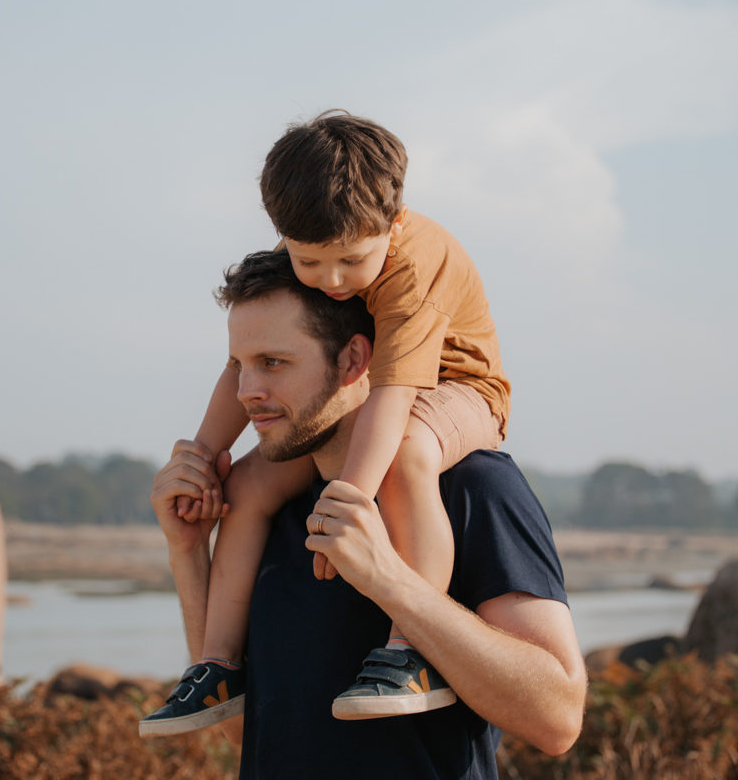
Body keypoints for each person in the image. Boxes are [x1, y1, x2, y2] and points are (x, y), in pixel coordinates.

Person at [140, 250, 586, 779]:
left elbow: (557, 719)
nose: (246, 393)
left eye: (274, 363)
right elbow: (246, 728)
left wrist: (392, 582)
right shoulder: (261, 508)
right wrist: (189, 551)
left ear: (354, 360)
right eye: (239, 365)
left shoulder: (473, 486)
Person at [143, 111, 512, 732]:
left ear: (392, 226)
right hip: (369, 388)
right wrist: (205, 457)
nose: (333, 281)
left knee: (405, 453)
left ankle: (409, 652)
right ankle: (217, 666)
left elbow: (395, 400)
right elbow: (244, 366)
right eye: (312, 263)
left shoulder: (413, 267)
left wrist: (348, 504)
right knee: (248, 486)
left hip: (460, 389)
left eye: (350, 261)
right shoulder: (305, 249)